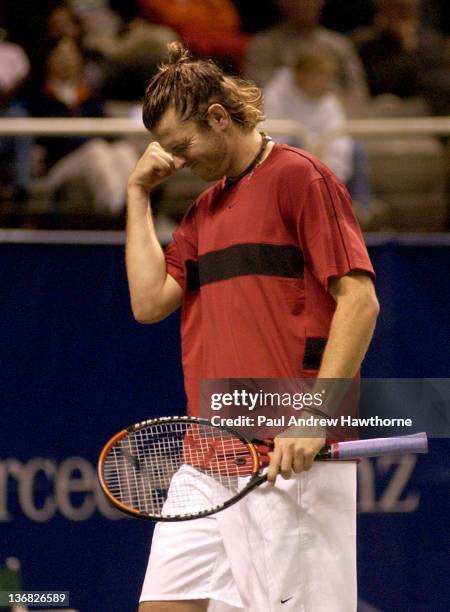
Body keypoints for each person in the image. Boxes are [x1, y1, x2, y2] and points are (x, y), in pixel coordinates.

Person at [127, 42, 379, 612]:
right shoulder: (200, 213)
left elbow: (359, 302)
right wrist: (138, 193)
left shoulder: (302, 178)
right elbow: (148, 302)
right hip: (207, 459)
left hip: (288, 458)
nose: (178, 161)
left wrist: (314, 417)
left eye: (182, 145)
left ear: (218, 117)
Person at [244, 0, 368, 111]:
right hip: (282, 121)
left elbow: (358, 91)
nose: (307, 4)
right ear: (283, 3)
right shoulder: (264, 45)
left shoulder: (339, 45)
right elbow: (255, 92)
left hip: (335, 121)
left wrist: (333, 108)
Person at [351, 0, 450, 115]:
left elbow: (435, 84)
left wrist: (408, 48)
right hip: (380, 112)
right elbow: (381, 84)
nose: (398, 16)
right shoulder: (365, 44)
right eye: (394, 9)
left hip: (426, 112)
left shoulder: (432, 43)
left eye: (405, 11)